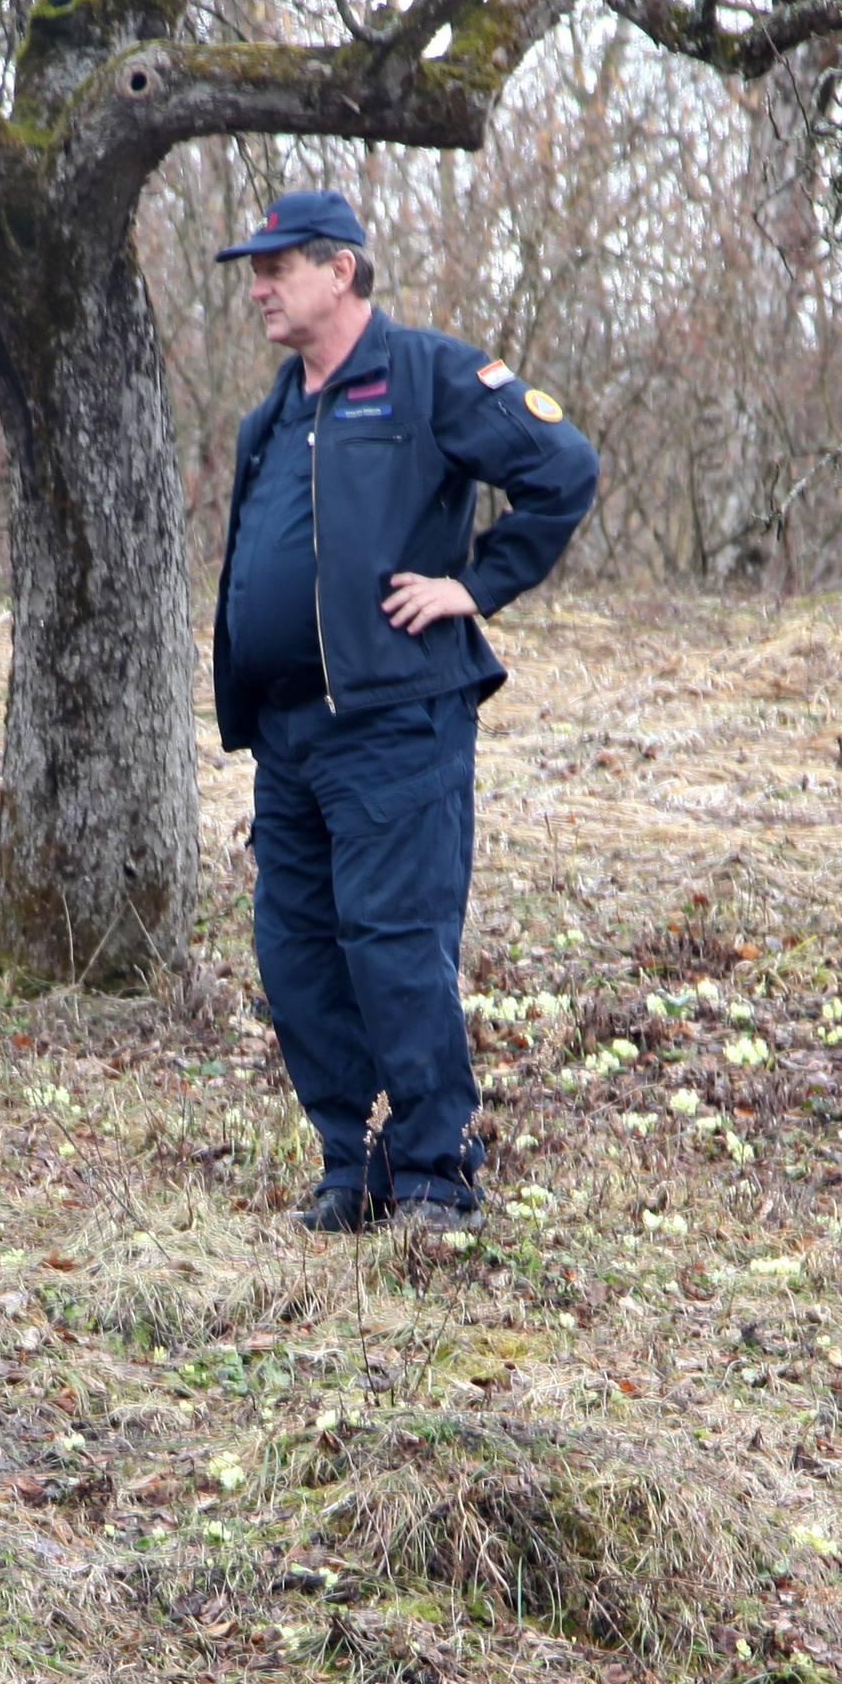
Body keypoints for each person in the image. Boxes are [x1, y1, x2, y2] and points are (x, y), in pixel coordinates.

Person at [213, 188, 598, 1233]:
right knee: (293, 952)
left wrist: (473, 586)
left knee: (393, 943)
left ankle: (436, 1172)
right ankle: (352, 1165)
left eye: (276, 265)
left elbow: (564, 472)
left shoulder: (428, 375)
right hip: (290, 734)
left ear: (340, 270)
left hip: (395, 723)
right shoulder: (274, 414)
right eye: (253, 268)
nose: (258, 286)